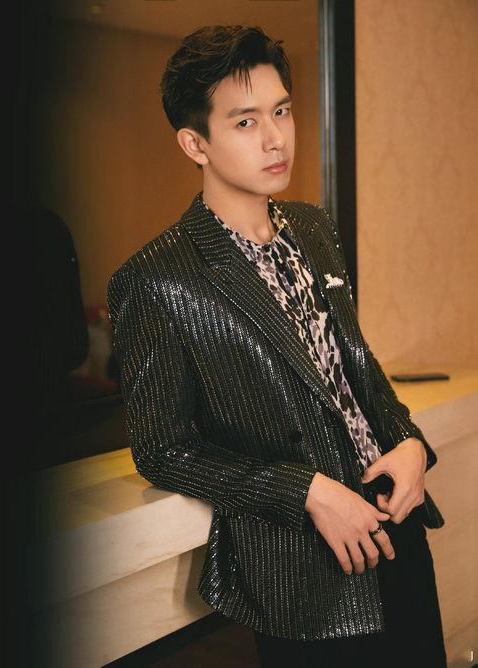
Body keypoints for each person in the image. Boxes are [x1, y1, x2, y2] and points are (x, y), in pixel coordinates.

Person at [107, 25, 447, 667]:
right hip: (305, 563)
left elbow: (354, 367)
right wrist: (305, 491)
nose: (276, 138)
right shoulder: (156, 279)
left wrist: (408, 442)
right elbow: (162, 449)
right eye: (245, 122)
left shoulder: (315, 228)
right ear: (195, 143)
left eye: (282, 111)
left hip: (395, 519)